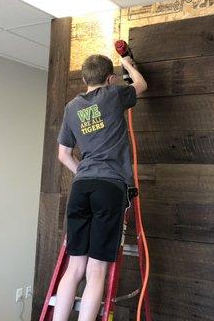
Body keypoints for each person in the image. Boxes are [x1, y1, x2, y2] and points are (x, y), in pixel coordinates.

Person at [53, 53, 147, 321]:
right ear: (109, 79)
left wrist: (83, 172)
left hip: (81, 188)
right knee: (96, 270)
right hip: (110, 187)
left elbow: (63, 155)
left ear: (84, 79)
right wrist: (128, 63)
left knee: (74, 267)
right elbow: (141, 85)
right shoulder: (114, 95)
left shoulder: (71, 107)